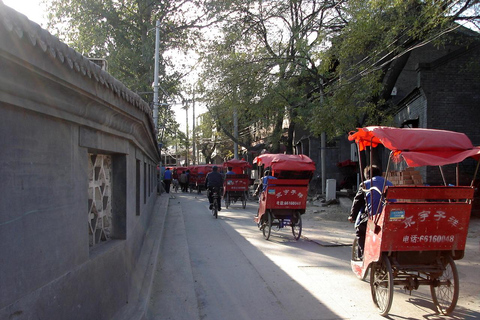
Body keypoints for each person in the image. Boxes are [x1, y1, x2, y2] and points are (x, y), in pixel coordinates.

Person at [348, 164, 392, 259]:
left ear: (367, 176)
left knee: (360, 231)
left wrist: (352, 216)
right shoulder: (390, 184)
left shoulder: (366, 184)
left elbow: (357, 201)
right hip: (390, 218)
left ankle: (363, 256)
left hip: (373, 220)